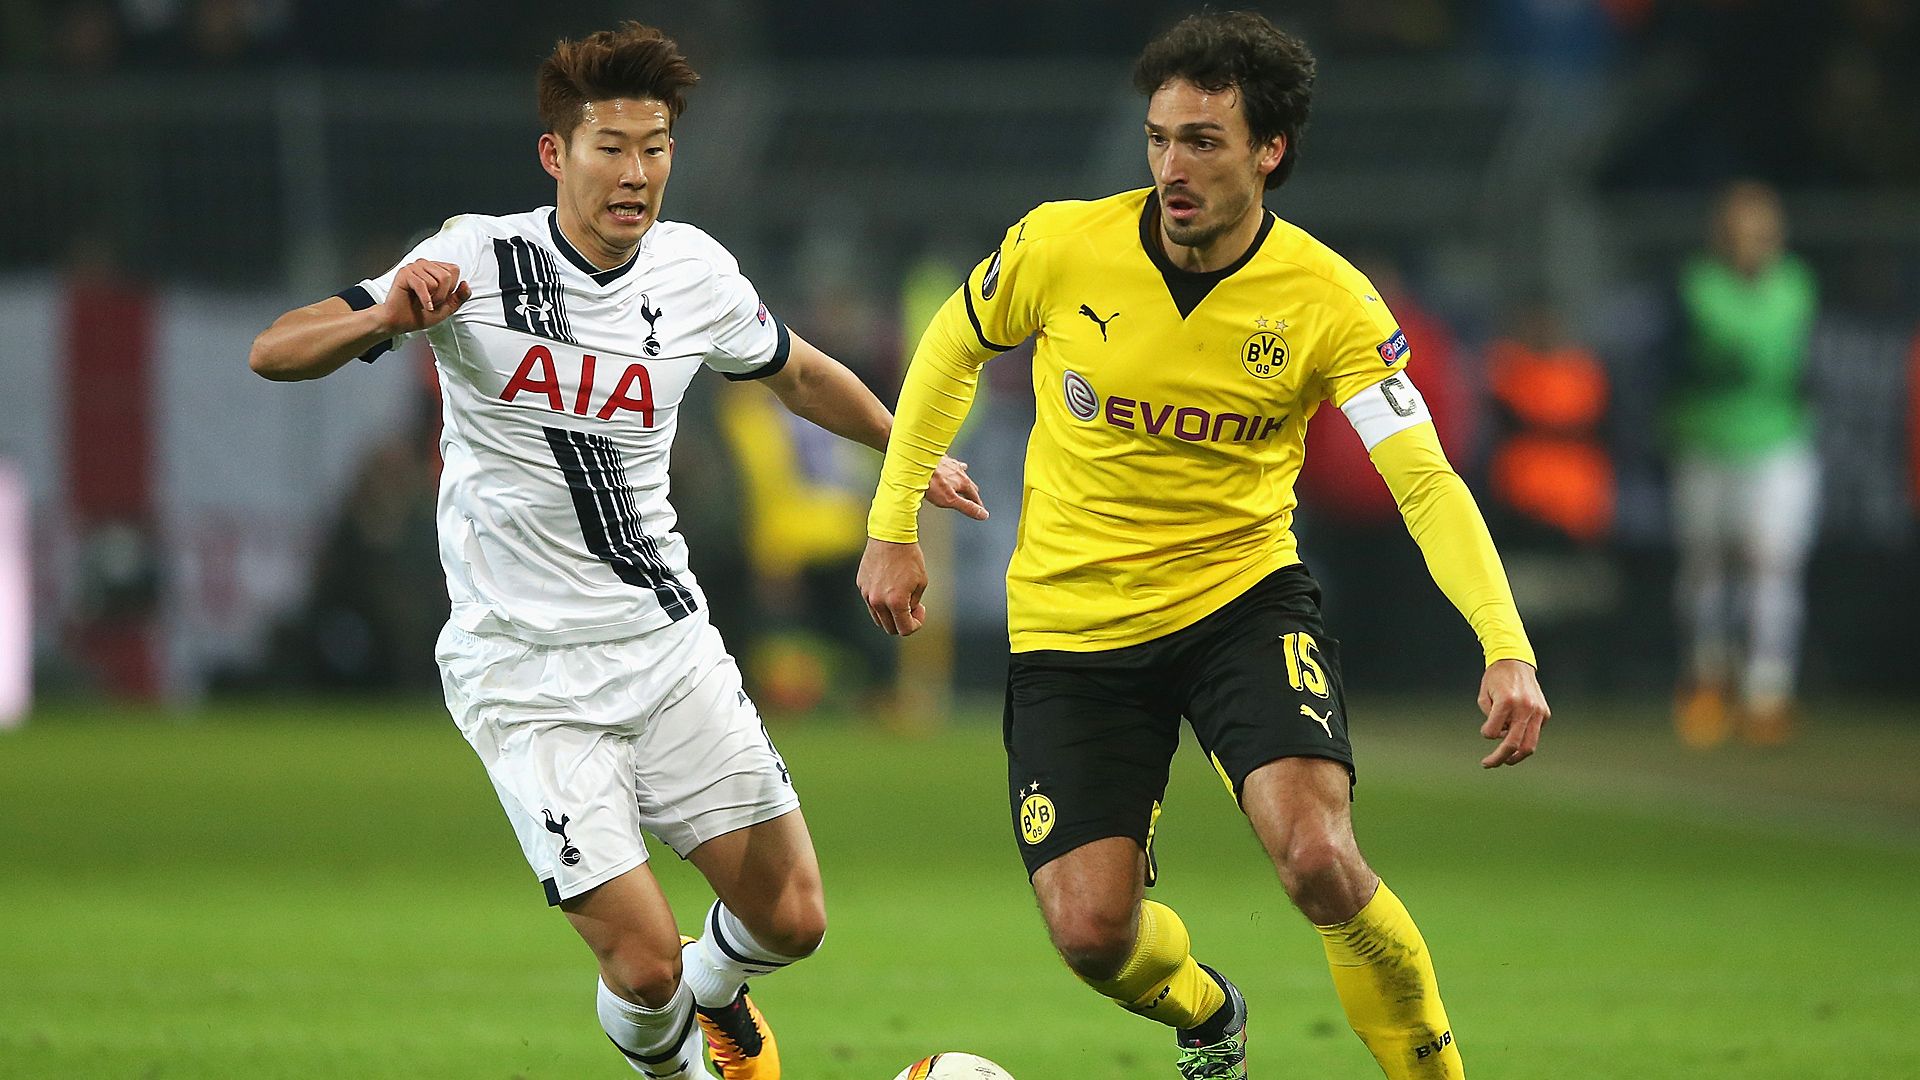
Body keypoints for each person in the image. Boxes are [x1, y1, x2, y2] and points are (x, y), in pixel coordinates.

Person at [248, 23, 985, 1080]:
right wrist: (388, 319)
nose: (637, 173)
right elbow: (277, 349)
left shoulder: (693, 271)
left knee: (793, 919)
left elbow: (798, 372)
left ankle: (720, 1001)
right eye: (612, 147)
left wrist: (913, 454)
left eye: (656, 146)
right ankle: (682, 1065)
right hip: (527, 673)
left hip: (664, 643)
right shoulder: (472, 258)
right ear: (556, 154)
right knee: (643, 971)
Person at [858, 13, 1549, 1080]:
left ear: (1268, 150)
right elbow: (952, 344)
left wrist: (1505, 643)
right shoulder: (1062, 245)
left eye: (1202, 142)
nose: (1171, 168)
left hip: (1240, 601)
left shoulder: (1327, 301)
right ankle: (1209, 1009)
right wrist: (892, 520)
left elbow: (1423, 477)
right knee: (1092, 933)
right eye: (1159, 138)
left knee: (1319, 856)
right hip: (1072, 624)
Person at [1666, 180, 1820, 747]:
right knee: (1706, 568)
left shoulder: (1797, 285)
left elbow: (1783, 360)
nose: (1748, 242)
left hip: (1778, 443)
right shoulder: (1699, 285)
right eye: (1738, 231)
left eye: (1759, 230)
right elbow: (1719, 356)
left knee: (1774, 566)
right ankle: (1706, 681)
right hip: (1706, 439)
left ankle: (1767, 690)